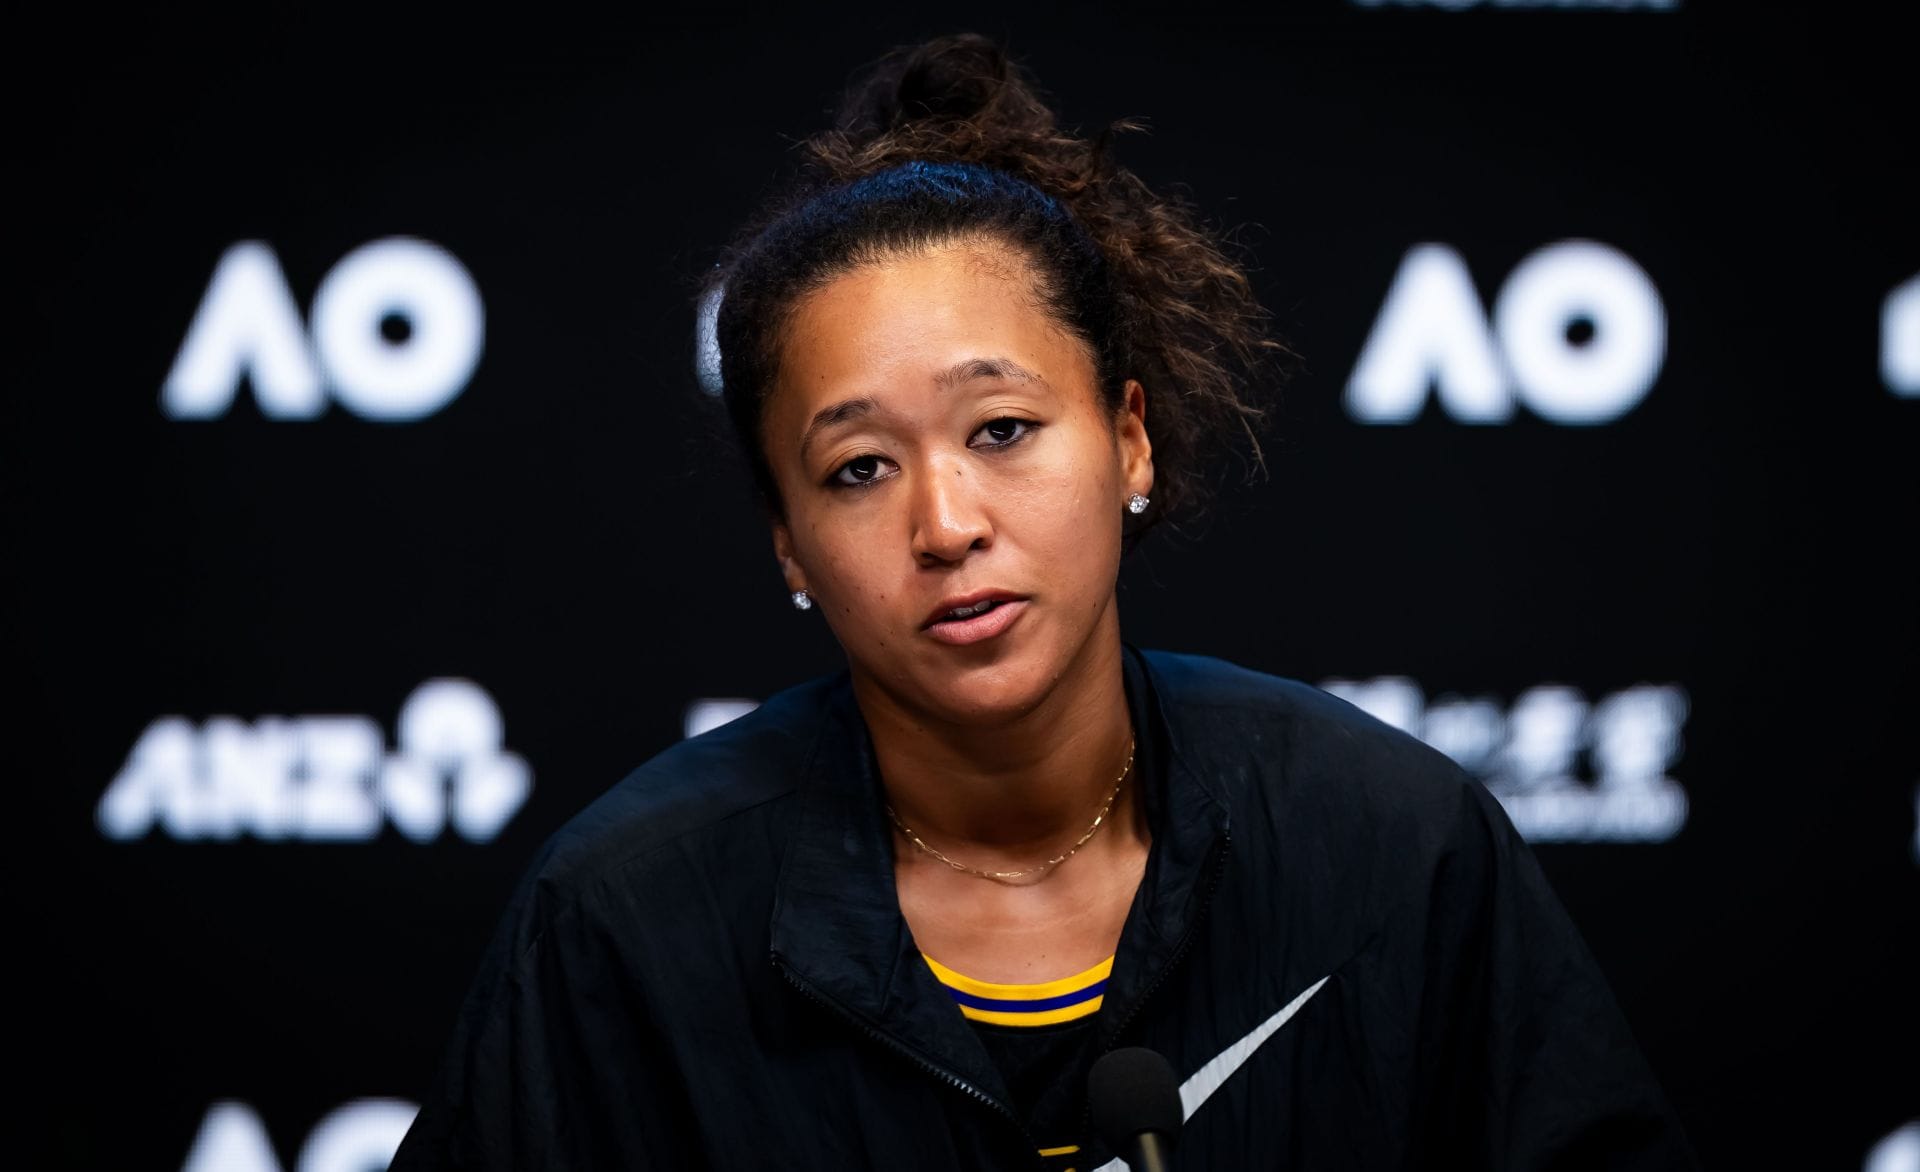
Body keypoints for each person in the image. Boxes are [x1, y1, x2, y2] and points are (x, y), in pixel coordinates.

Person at [389, 32, 1700, 1172]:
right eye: (859, 468)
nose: (947, 524)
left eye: (1003, 430)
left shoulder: (1391, 846)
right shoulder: (623, 920)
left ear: (1129, 439)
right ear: (788, 543)